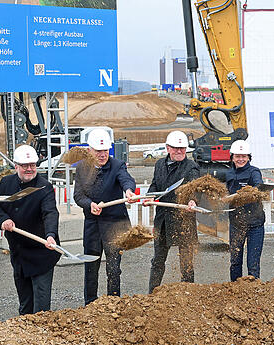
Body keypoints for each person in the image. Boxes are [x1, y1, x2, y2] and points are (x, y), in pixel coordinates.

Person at [0, 145, 61, 314]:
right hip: (19, 253)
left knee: (41, 306)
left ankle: (41, 329)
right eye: (25, 165)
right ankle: (24, 329)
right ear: (16, 166)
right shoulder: (6, 183)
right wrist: (3, 219)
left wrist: (51, 235)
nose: (29, 169)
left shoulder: (44, 187)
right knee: (25, 302)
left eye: (32, 165)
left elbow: (50, 213)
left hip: (41, 252)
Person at [73, 129, 137, 304]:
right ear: (89, 150)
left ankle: (113, 303)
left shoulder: (117, 165)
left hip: (115, 225)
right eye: (98, 151)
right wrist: (90, 204)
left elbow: (126, 179)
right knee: (91, 267)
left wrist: (129, 190)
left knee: (114, 268)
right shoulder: (82, 168)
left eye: (105, 151)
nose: (102, 155)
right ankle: (90, 304)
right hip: (93, 226)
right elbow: (78, 195)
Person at [144, 131, 200, 292]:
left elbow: (194, 187)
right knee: (158, 260)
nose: (180, 151)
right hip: (162, 220)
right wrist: (150, 196)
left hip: (183, 219)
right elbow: (155, 185)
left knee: (186, 262)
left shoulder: (191, 167)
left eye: (182, 148)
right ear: (168, 148)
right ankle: (152, 293)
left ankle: (188, 293)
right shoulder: (159, 165)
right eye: (176, 148)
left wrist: (192, 200)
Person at [225, 139, 265, 280]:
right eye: (237, 156)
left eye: (244, 156)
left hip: (255, 224)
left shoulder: (254, 172)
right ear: (232, 157)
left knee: (253, 263)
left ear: (248, 157)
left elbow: (259, 186)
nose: (241, 159)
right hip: (236, 224)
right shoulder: (229, 174)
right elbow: (225, 192)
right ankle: (235, 288)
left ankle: (253, 289)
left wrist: (249, 192)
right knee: (235, 261)